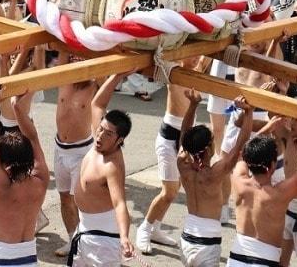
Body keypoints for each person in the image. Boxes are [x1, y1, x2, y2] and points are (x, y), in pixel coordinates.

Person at [178, 90, 253, 267]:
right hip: (207, 245)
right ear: (208, 149)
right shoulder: (214, 173)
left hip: (186, 240)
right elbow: (241, 142)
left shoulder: (183, 164)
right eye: (213, 141)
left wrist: (193, 105)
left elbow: (184, 137)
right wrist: (249, 112)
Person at [136, 57, 202, 255]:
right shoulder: (173, 70)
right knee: (169, 191)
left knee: (176, 188)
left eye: (199, 54)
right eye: (194, 54)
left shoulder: (200, 70)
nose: (196, 57)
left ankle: (155, 228)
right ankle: (144, 229)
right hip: (168, 136)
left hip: (187, 136)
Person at [70, 73, 134, 266]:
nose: (100, 136)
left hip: (104, 240)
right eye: (100, 129)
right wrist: (118, 75)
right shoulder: (99, 141)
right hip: (83, 231)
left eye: (108, 134)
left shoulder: (112, 166)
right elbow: (97, 104)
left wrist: (124, 236)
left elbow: (120, 203)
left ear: (119, 140)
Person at [0, 81, 49, 267]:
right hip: (29, 258)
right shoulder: (41, 179)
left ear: (4, 162)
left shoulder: (0, 185)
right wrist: (17, 109)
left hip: (1, 259)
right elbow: (34, 138)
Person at [228, 136, 297, 267]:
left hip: (235, 259)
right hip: (265, 262)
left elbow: (241, 156)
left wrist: (259, 140)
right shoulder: (279, 194)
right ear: (273, 165)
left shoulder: (238, 181)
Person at [53, 50, 97, 257]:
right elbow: (62, 48)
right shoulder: (64, 78)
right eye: (74, 56)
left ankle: (84, 241)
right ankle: (72, 239)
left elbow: (107, 66)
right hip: (60, 148)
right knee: (64, 198)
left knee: (79, 200)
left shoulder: (94, 87)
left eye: (83, 58)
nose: (76, 60)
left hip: (81, 151)